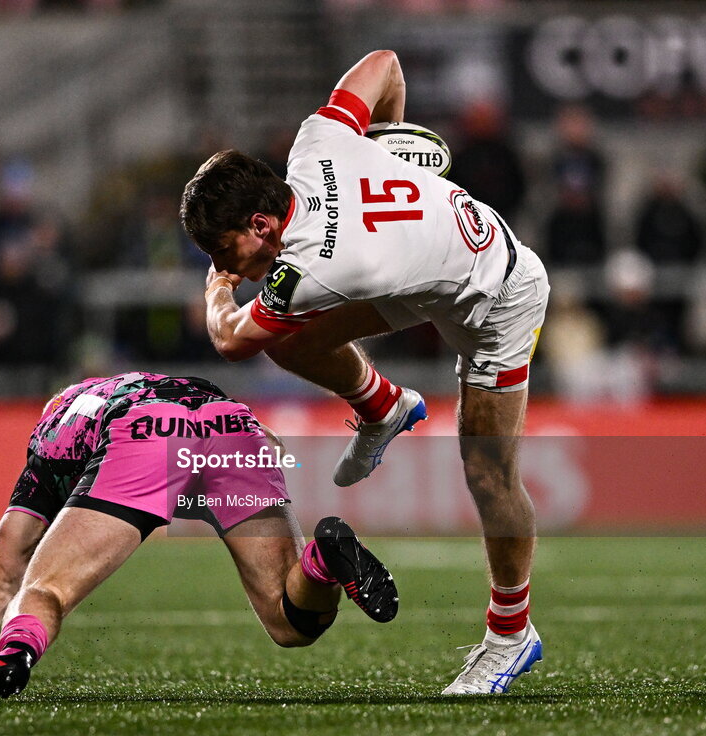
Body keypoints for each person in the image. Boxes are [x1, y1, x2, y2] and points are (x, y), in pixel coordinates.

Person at [180, 50, 548, 695]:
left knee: (488, 473)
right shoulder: (317, 140)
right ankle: (383, 406)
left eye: (222, 248)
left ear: (261, 225)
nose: (224, 261)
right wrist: (385, 138)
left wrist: (216, 290)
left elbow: (231, 340)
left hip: (500, 294)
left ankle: (511, 635)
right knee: (289, 345)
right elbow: (385, 63)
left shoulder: (309, 274)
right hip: (427, 267)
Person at [0, 372, 398, 703]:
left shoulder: (50, 439)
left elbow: (2, 576)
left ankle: (16, 654)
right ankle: (321, 559)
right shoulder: (123, 388)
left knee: (42, 587)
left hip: (146, 437)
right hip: (236, 425)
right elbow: (271, 445)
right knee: (291, 624)